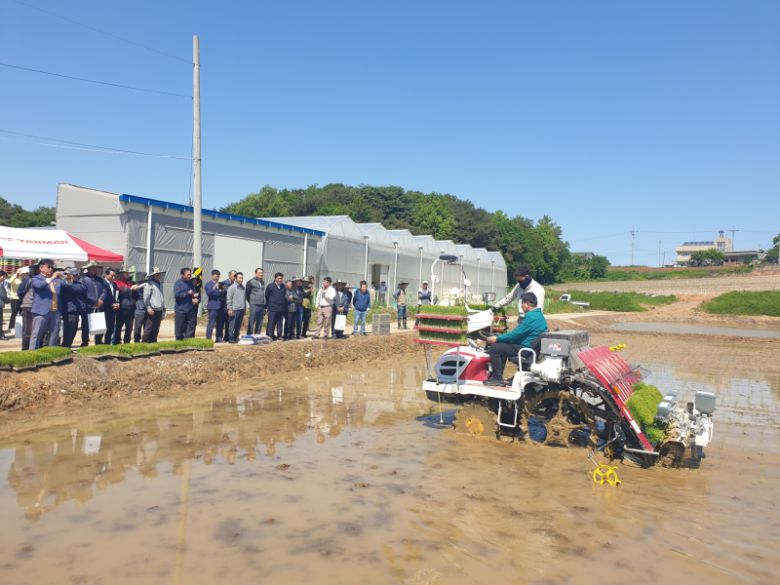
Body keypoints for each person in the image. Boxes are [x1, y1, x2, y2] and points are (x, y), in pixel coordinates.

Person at [483, 293, 548, 386]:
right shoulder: (538, 315)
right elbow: (518, 334)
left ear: (527, 304)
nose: (521, 306)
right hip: (530, 347)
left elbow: (515, 335)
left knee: (494, 348)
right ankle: (498, 376)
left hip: (525, 349)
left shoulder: (531, 317)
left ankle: (496, 378)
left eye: (522, 303)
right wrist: (500, 339)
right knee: (502, 346)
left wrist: (497, 338)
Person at [29, 259, 63, 350]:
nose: (51, 269)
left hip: (55, 310)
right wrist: (51, 278)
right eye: (48, 267)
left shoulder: (57, 279)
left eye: (52, 267)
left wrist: (69, 279)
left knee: (54, 333)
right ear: (41, 268)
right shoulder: (36, 278)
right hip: (41, 311)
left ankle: (51, 352)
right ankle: (32, 353)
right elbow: (39, 286)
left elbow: (66, 286)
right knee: (37, 333)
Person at [59, 268, 88, 348]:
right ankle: (65, 346)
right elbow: (69, 287)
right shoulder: (64, 283)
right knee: (69, 330)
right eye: (74, 275)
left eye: (77, 275)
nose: (76, 276)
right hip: (69, 310)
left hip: (77, 310)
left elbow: (84, 290)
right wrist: (69, 280)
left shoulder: (79, 283)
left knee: (73, 330)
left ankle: (67, 346)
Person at [81, 262, 105, 346]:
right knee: (86, 326)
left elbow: (104, 291)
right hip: (88, 306)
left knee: (99, 324)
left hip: (100, 305)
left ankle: (98, 341)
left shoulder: (100, 279)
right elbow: (84, 293)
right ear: (88, 269)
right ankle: (85, 342)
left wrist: (101, 299)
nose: (95, 269)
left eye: (96, 268)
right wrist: (95, 301)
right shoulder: (83, 279)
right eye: (92, 268)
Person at [173, 267, 199, 340]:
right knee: (180, 328)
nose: (189, 276)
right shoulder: (178, 283)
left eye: (190, 274)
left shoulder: (191, 283)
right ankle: (179, 343)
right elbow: (177, 295)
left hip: (190, 309)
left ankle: (188, 342)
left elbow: (193, 292)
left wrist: (194, 297)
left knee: (190, 327)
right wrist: (187, 293)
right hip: (180, 310)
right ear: (182, 275)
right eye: (188, 275)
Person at [142, 268, 166, 343]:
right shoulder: (149, 284)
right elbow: (146, 297)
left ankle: (153, 344)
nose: (159, 276)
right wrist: (148, 307)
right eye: (157, 274)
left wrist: (163, 307)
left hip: (158, 310)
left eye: (159, 274)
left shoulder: (159, 284)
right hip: (152, 309)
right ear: (153, 275)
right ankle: (145, 345)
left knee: (156, 329)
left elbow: (161, 296)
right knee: (148, 329)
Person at [98, 268, 120, 345]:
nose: (114, 278)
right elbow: (101, 297)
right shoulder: (101, 283)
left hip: (112, 311)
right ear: (106, 274)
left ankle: (107, 344)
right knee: (101, 329)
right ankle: (98, 344)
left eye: (115, 276)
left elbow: (116, 296)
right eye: (112, 276)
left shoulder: (114, 284)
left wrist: (117, 303)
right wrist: (110, 304)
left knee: (110, 328)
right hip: (103, 309)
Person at [112, 270, 135, 344]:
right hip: (121, 309)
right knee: (118, 327)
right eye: (126, 273)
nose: (128, 275)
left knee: (129, 328)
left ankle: (127, 342)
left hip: (130, 308)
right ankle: (116, 342)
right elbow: (116, 295)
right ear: (121, 274)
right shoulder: (117, 283)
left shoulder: (130, 283)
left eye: (128, 273)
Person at [16, 265, 35, 350]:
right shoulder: (28, 279)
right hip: (28, 306)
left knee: (31, 329)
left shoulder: (33, 279)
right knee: (28, 329)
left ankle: (29, 346)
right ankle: (25, 348)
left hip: (33, 306)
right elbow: (19, 292)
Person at [264, 272, 286, 341]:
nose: (280, 280)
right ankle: (270, 335)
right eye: (278, 278)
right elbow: (267, 296)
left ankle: (279, 335)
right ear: (275, 278)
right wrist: (267, 306)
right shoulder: (270, 286)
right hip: (272, 308)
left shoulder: (283, 286)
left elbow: (284, 296)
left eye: (281, 278)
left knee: (279, 323)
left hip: (281, 308)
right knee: (271, 322)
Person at [226, 271, 246, 343]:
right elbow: (229, 299)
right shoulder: (231, 288)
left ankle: (236, 337)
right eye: (240, 278)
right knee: (232, 325)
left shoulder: (243, 288)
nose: (241, 279)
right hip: (234, 309)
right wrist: (230, 309)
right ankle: (230, 338)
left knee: (238, 325)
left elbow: (244, 299)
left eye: (242, 278)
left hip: (241, 309)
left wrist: (245, 309)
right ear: (235, 278)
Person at [245, 268, 266, 335]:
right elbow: (247, 293)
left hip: (261, 304)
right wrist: (251, 302)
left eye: (262, 273)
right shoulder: (250, 282)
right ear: (256, 273)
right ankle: (249, 335)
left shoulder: (262, 282)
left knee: (260, 321)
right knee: (252, 320)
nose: (261, 274)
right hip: (254, 304)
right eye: (259, 273)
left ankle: (257, 335)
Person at [205, 269, 224, 342]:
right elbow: (208, 293)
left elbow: (222, 294)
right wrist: (214, 287)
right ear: (212, 276)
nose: (218, 278)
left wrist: (221, 289)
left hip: (220, 307)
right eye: (216, 276)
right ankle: (208, 339)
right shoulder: (208, 284)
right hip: (213, 307)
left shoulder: (220, 284)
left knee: (220, 323)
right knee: (211, 323)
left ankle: (219, 338)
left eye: (219, 276)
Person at [7, 267, 26, 333]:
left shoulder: (23, 279)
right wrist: (16, 274)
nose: (21, 273)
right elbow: (9, 281)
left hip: (22, 298)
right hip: (15, 298)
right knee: (14, 313)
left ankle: (21, 327)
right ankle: (11, 327)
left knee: (22, 313)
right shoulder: (14, 279)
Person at [219, 270, 236, 342]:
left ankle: (227, 337)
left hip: (231, 306)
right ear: (229, 275)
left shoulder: (235, 285)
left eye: (235, 276)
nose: (234, 277)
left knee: (229, 323)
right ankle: (219, 338)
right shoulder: (223, 283)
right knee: (221, 323)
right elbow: (221, 295)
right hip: (223, 306)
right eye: (233, 275)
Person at [131, 272, 147, 343]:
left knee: (146, 327)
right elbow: (132, 298)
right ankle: (136, 341)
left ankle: (144, 341)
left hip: (146, 308)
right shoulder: (134, 287)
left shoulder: (146, 285)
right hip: (139, 309)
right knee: (138, 327)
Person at [0, 271, 8, 340]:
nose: (4, 278)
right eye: (4, 276)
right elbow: (3, 295)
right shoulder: (0, 284)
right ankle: (1, 335)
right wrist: (8, 301)